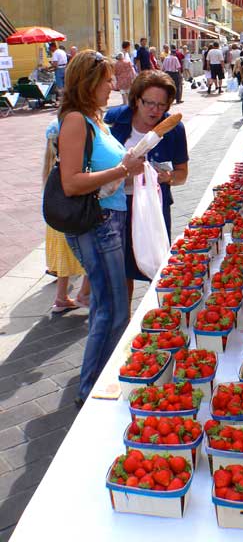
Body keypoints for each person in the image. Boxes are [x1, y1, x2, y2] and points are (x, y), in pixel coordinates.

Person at [57, 50, 145, 406]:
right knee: (111, 309)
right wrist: (123, 170)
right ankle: (95, 388)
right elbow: (72, 183)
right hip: (98, 223)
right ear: (89, 82)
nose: (113, 85)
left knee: (109, 307)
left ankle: (98, 383)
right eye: (107, 79)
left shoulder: (94, 117)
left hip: (110, 219)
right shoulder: (76, 120)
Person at [105, 70, 189, 302]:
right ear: (136, 99)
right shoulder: (113, 122)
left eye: (162, 105)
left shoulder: (174, 129)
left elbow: (182, 175)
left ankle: (159, 318)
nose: (154, 110)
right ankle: (125, 321)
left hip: (154, 208)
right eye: (149, 103)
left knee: (159, 265)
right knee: (122, 271)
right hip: (118, 207)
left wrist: (168, 177)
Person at [43, 120, 90, 312]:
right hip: (73, 220)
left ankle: (61, 298)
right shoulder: (70, 165)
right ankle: (85, 294)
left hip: (56, 223)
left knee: (64, 261)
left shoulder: (51, 164)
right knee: (90, 258)